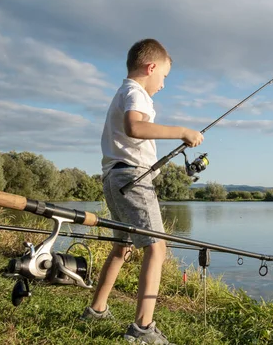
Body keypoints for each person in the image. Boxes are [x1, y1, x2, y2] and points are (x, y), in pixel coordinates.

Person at [81, 38, 204, 344]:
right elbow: (135, 127)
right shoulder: (136, 93)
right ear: (150, 68)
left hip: (114, 177)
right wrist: (183, 132)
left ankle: (96, 309)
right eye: (163, 77)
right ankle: (142, 329)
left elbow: (132, 133)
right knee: (157, 247)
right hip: (132, 179)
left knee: (122, 246)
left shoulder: (123, 92)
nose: (163, 85)